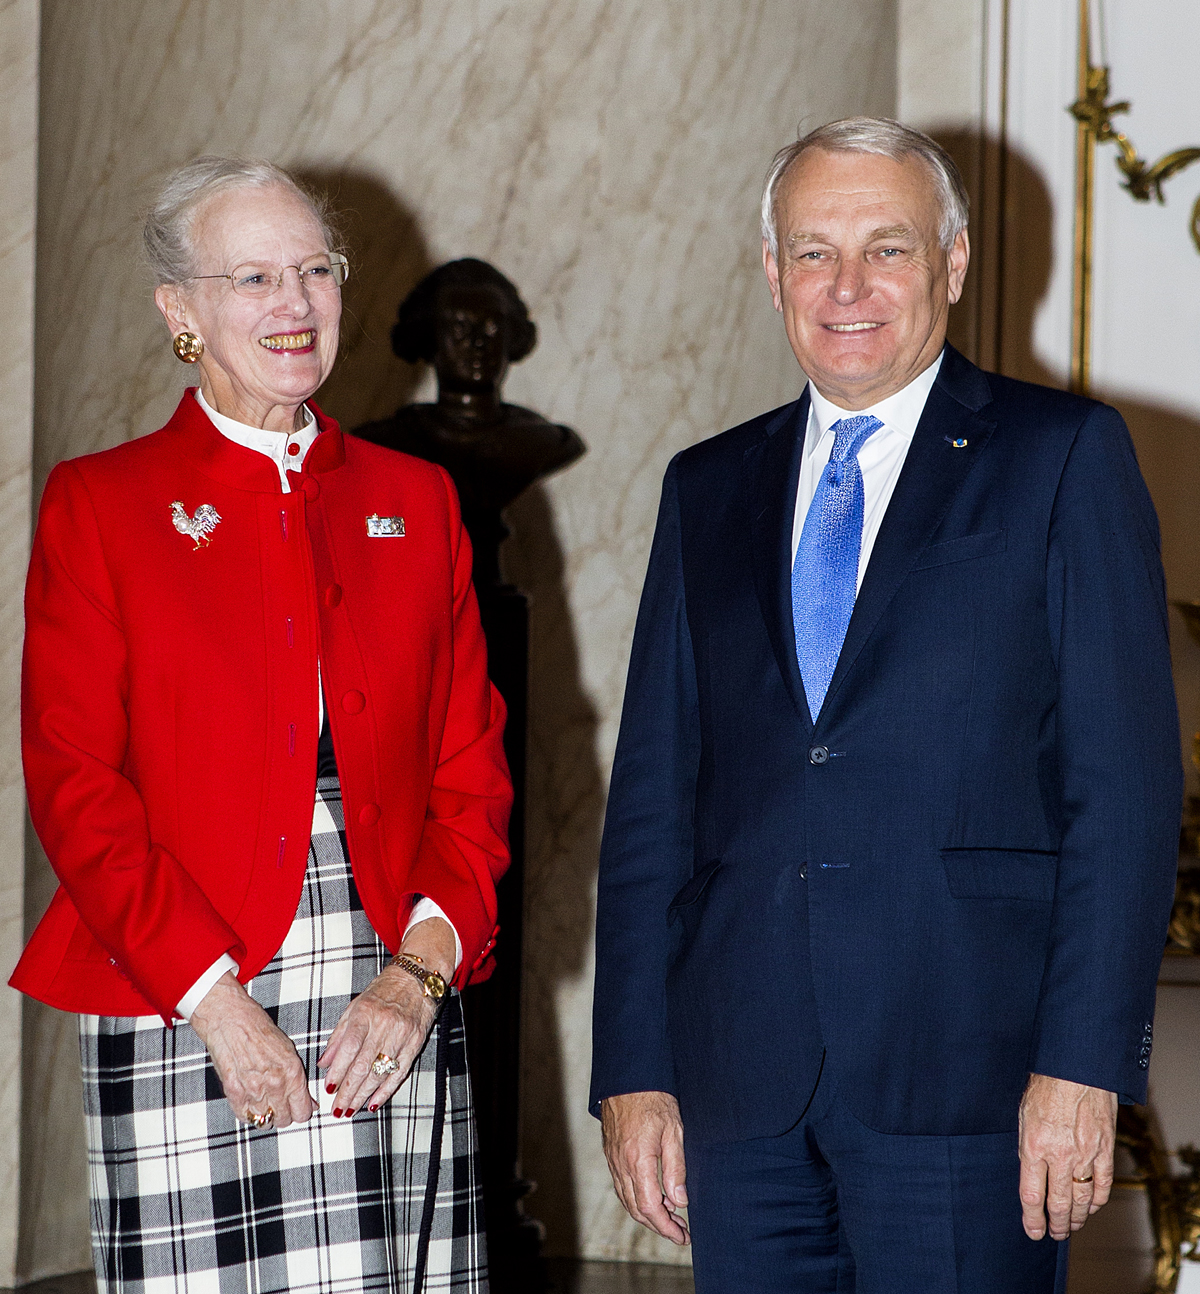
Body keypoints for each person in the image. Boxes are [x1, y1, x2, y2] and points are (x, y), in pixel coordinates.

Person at [590, 118, 1182, 1292]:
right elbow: (653, 798)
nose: (847, 286)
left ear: (952, 265)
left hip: (972, 1082)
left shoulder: (1062, 456)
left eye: (888, 248)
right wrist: (634, 1068)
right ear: (772, 274)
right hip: (738, 1093)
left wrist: (1083, 1066)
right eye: (813, 251)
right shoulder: (705, 487)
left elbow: (1124, 791)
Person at [11, 157, 511, 1293]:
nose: (294, 306)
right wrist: (216, 1002)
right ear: (180, 311)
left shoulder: (416, 499)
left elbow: (471, 771)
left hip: (387, 980)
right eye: (252, 277)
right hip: (182, 984)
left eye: (313, 271)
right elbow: (75, 785)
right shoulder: (101, 506)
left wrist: (418, 974)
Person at [354, 258, 584, 590]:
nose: (478, 343)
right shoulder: (386, 444)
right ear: (429, 338)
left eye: (491, 327)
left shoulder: (543, 442)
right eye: (460, 327)